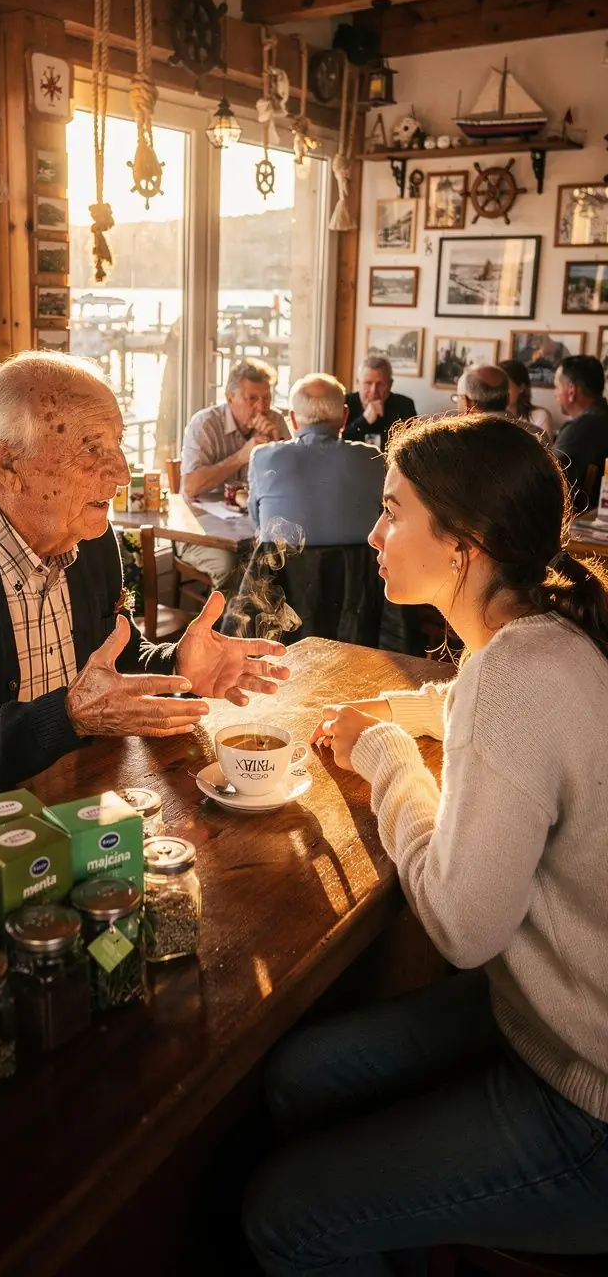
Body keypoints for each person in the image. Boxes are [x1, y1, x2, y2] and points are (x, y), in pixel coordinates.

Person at [244, 413, 608, 1275]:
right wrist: (389, 714)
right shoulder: (542, 643)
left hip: (587, 1099)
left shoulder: (521, 675)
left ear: (464, 546)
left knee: (283, 1214)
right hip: (542, 1023)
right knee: (299, 1074)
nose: (373, 532)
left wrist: (383, 754)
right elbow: (465, 705)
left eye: (392, 510)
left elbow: (459, 925)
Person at [0, 353, 289, 835]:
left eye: (118, 444)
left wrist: (175, 666)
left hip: (56, 807)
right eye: (90, 448)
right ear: (8, 462)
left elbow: (105, 668)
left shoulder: (90, 536)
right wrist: (67, 719)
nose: (122, 472)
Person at [178, 358, 291, 589]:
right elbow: (190, 486)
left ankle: (269, 624)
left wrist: (276, 447)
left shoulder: (276, 421)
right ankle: (228, 626)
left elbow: (293, 484)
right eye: (252, 399)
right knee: (230, 566)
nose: (261, 407)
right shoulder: (205, 424)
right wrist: (242, 456)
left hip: (253, 528)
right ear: (230, 399)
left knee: (291, 557)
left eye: (266, 398)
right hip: (202, 531)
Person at [247, 373, 383, 546]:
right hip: (357, 572)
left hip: (283, 571)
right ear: (345, 416)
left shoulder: (262, 457)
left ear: (294, 419)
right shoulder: (373, 458)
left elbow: (258, 524)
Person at [554, 354, 608, 510]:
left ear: (571, 390)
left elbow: (549, 480)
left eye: (557, 387)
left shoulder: (579, 430)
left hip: (579, 518)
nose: (555, 393)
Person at [343, 356, 416, 450]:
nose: (374, 391)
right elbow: (339, 443)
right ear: (358, 383)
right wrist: (364, 421)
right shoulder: (345, 402)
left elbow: (412, 447)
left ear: (390, 384)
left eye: (380, 384)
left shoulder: (404, 405)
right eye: (368, 383)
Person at [500, 357, 554, 438]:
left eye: (506, 387)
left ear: (521, 388)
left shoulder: (539, 416)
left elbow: (545, 449)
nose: (501, 392)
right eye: (497, 387)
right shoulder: (487, 416)